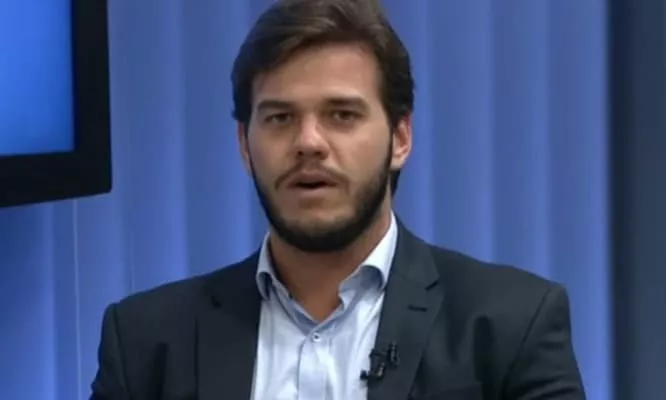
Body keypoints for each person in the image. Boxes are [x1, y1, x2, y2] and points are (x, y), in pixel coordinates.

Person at [91, 0, 585, 399]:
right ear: (244, 144)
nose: (309, 142)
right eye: (280, 118)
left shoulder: (511, 325)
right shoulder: (145, 343)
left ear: (401, 138)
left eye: (342, 115)